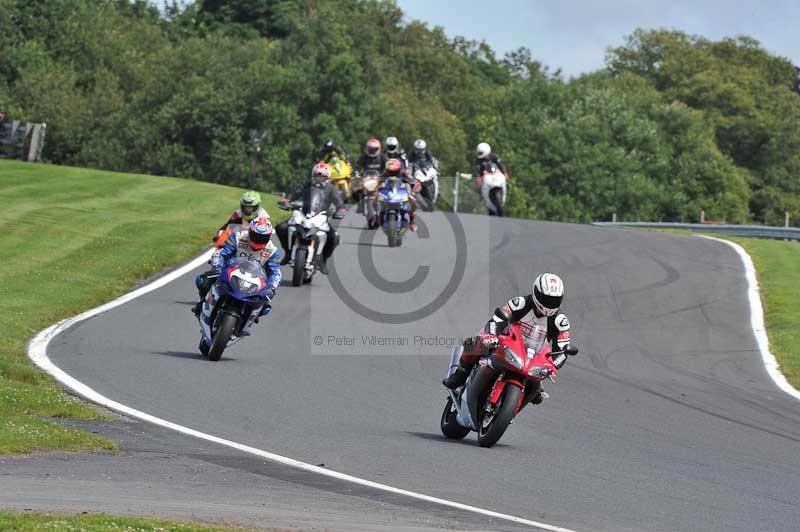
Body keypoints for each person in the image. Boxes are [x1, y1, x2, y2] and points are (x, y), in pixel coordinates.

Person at [442, 273, 572, 404]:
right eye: (546, 298)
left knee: (537, 392)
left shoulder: (561, 321)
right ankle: (459, 376)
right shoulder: (520, 303)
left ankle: (528, 394)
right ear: (536, 293)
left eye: (554, 300)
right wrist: (492, 335)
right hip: (506, 343)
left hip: (533, 356)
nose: (549, 304)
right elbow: (497, 319)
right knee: (475, 343)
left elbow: (562, 349)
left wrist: (553, 365)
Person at [193, 217, 281, 337]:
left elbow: (275, 272)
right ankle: (201, 305)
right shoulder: (237, 237)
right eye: (256, 235)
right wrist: (217, 267)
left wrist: (271, 288)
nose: (258, 239)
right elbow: (221, 253)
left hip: (253, 281)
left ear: (269, 236)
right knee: (202, 281)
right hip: (229, 273)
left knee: (265, 306)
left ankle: (245, 324)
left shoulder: (272, 251)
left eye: (263, 237)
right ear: (250, 232)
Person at [275, 162, 342, 274]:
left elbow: (339, 202)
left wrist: (341, 209)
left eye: (322, 176)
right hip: (304, 214)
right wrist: (287, 201)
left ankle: (323, 261)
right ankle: (288, 252)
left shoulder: (331, 188)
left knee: (334, 237)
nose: (319, 178)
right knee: (281, 227)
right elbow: (295, 194)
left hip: (321, 217)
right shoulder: (307, 184)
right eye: (317, 176)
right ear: (313, 175)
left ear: (327, 177)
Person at [381, 158, 418, 232]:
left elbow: (413, 182)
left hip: (401, 192)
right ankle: (375, 217)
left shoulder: (403, 173)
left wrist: (413, 187)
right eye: (390, 172)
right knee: (375, 200)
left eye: (394, 172)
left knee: (413, 200)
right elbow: (377, 181)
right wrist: (375, 186)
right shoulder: (385, 173)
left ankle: (412, 222)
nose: (391, 173)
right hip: (388, 193)